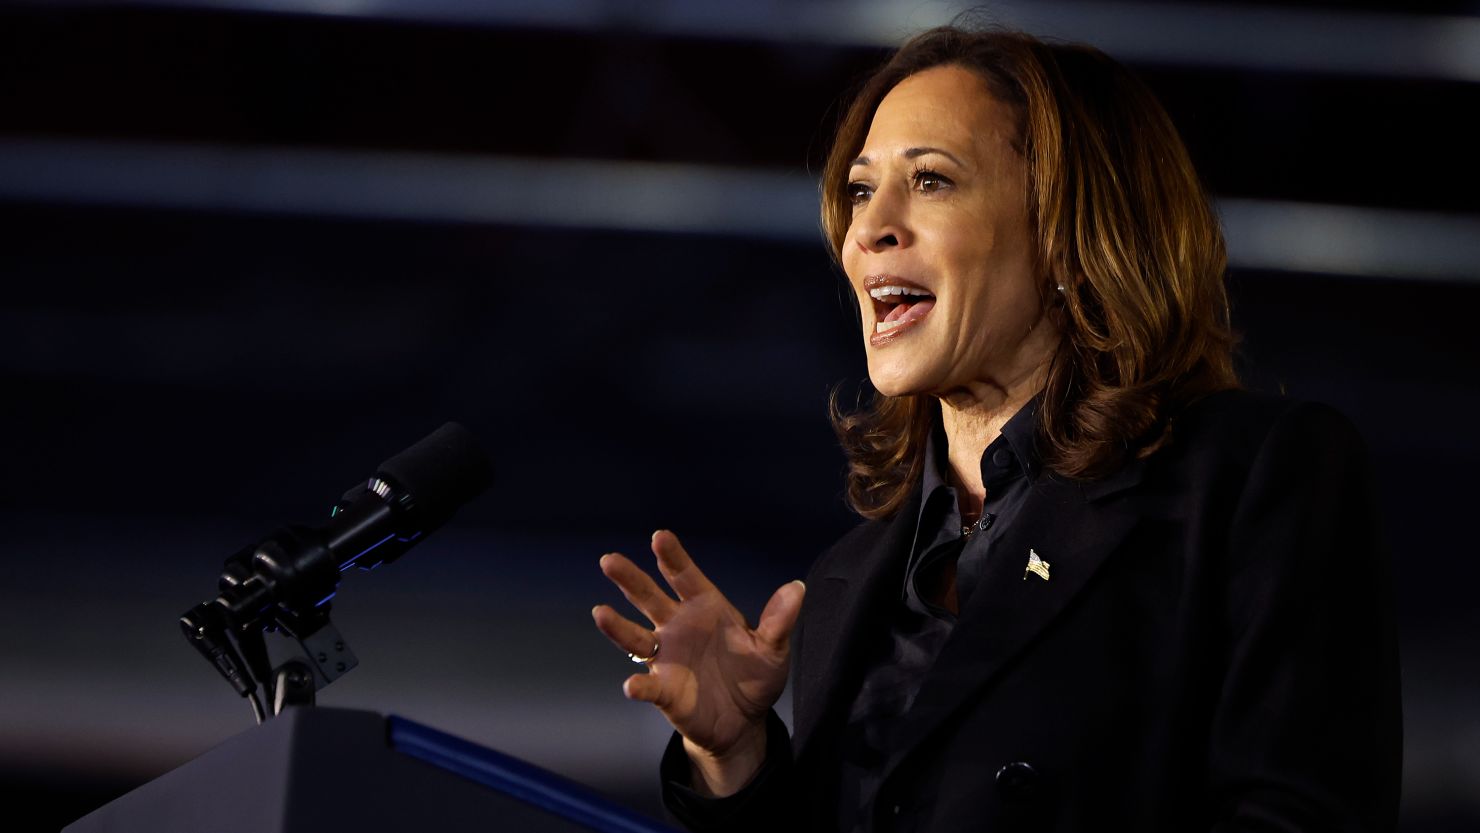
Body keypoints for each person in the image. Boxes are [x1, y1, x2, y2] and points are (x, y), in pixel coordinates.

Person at [592, 25, 1401, 833]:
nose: (869, 229)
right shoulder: (848, 579)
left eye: (932, 180)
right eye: (862, 190)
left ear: (1068, 231)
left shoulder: (1252, 481)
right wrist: (737, 760)